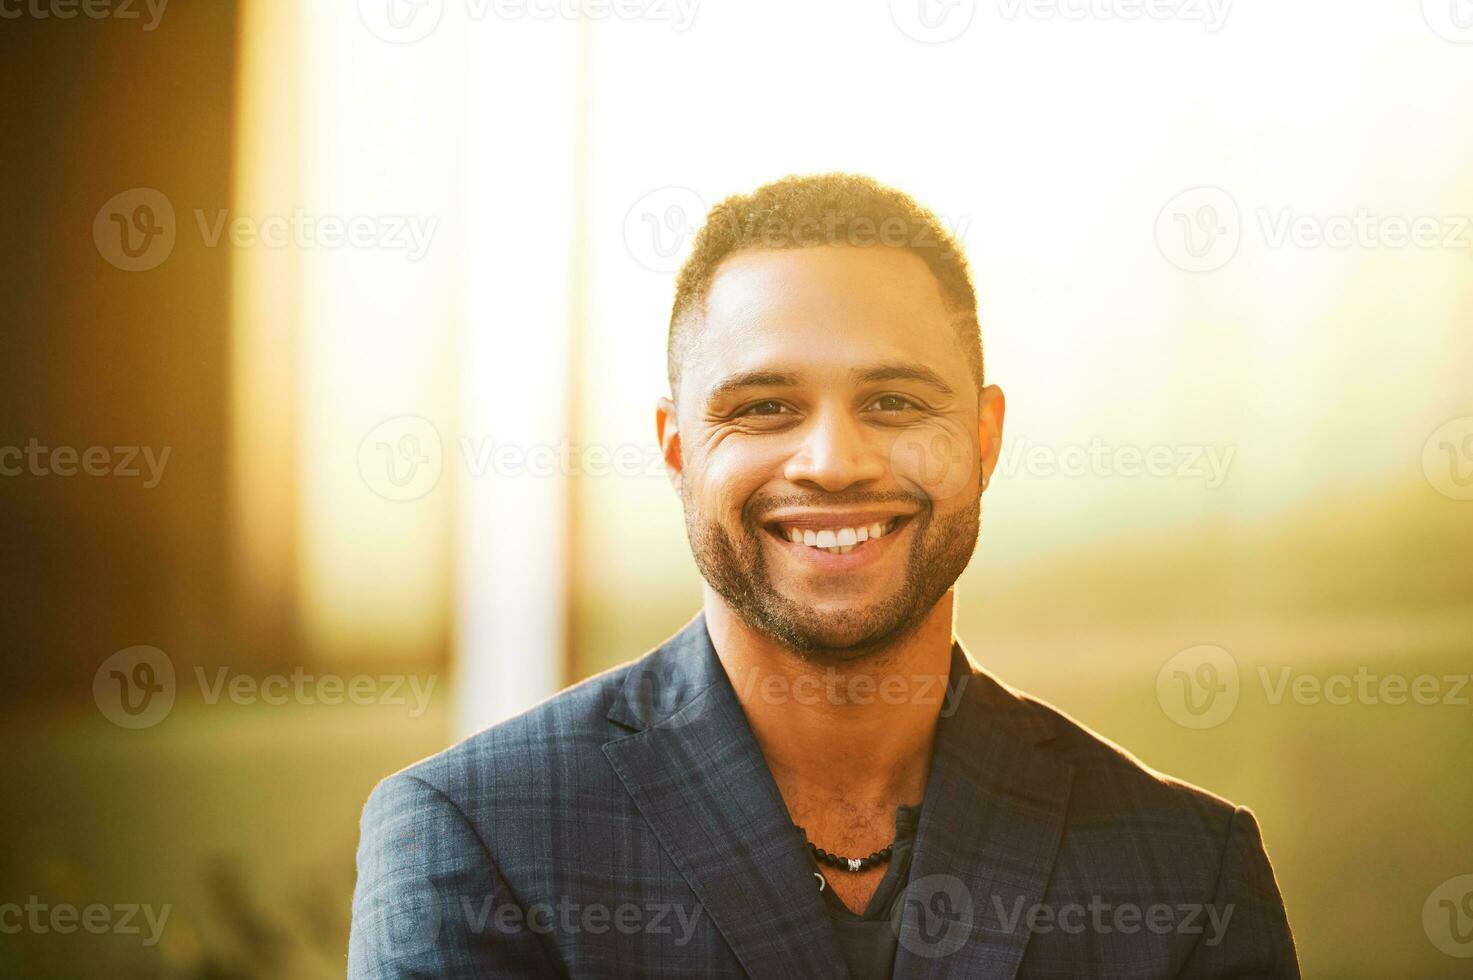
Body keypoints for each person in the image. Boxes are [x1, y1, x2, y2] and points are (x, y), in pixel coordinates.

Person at [348, 173, 1300, 978]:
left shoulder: (1183, 868)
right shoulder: (474, 836)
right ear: (677, 450)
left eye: (892, 400)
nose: (833, 461)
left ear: (984, 437)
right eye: (764, 406)